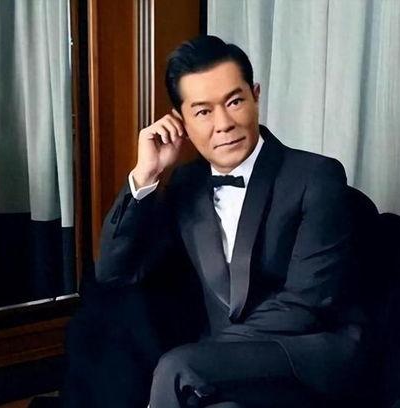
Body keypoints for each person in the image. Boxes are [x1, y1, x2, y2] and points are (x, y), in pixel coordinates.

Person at [95, 35, 368, 408]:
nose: (223, 124)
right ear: (181, 122)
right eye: (203, 112)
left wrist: (204, 357)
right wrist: (146, 175)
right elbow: (113, 272)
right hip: (226, 370)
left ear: (256, 96)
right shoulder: (186, 185)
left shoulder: (316, 176)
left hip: (307, 356)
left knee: (175, 368)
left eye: (235, 102)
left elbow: (306, 303)